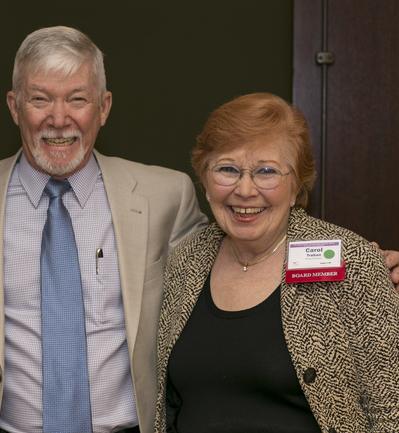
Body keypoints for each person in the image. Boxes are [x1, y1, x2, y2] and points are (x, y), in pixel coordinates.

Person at [0, 26, 207, 432]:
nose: (58, 119)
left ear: (104, 107)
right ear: (14, 106)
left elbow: (227, 283)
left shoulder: (165, 196)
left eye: (78, 99)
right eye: (40, 99)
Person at [155, 93, 399, 431]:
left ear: (296, 183)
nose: (244, 190)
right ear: (205, 179)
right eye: (227, 169)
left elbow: (389, 407)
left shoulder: (352, 260)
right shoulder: (186, 260)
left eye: (266, 171)